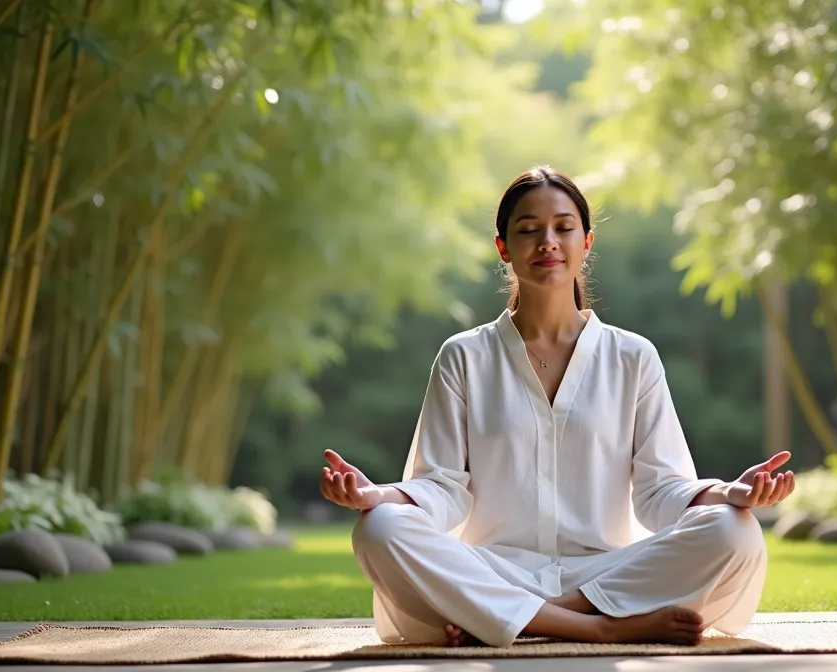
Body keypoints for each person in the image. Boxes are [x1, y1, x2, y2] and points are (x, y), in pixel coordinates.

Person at [318, 166, 796, 649]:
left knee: (734, 531)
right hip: (492, 572)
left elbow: (661, 490)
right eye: (528, 230)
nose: (548, 241)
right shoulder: (463, 356)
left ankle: (526, 620)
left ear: (586, 243)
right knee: (379, 528)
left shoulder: (633, 357)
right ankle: (600, 629)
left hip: (604, 576)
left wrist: (728, 495)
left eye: (563, 228)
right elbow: (442, 488)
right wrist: (375, 497)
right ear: (503, 247)